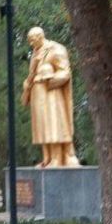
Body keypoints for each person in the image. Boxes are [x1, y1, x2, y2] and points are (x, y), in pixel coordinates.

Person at [21, 27, 80, 168]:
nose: (31, 44)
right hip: (37, 95)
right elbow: (31, 75)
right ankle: (47, 158)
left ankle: (57, 158)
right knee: (42, 127)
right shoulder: (35, 53)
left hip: (51, 94)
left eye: (32, 40)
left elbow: (65, 72)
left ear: (40, 37)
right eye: (29, 41)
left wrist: (47, 79)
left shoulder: (55, 49)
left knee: (53, 125)